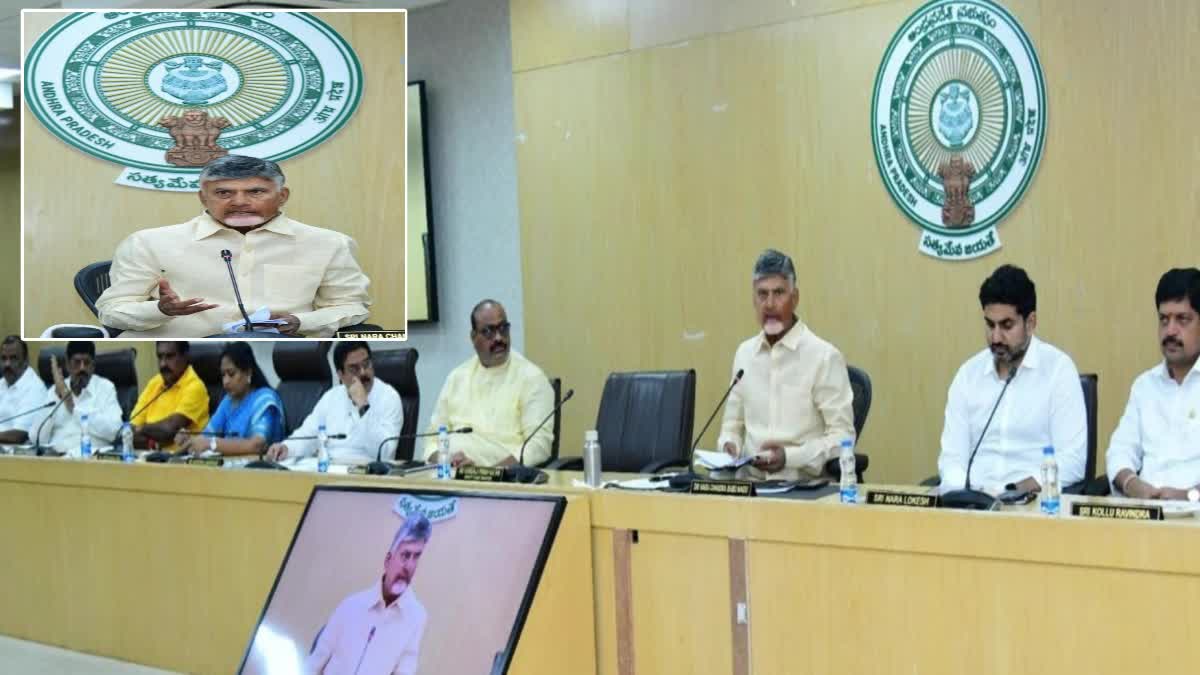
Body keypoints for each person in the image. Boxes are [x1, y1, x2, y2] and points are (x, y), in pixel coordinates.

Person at [95, 155, 371, 337]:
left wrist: (302, 322)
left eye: (256, 192)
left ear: (282, 196)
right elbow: (111, 310)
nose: (239, 202)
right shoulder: (148, 242)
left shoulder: (329, 244)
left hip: (273, 350)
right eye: (223, 193)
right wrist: (160, 310)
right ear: (203, 198)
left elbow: (352, 307)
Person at [937, 265, 1087, 493]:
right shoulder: (968, 376)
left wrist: (1019, 489)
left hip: (1034, 505)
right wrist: (958, 498)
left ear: (1031, 322)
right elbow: (953, 457)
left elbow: (1073, 462)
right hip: (975, 505)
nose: (996, 337)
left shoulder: (1058, 371)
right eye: (990, 325)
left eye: (1007, 326)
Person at [717, 249, 856, 481]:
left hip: (805, 490)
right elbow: (731, 426)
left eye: (779, 293)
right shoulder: (744, 355)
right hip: (751, 487)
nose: (769, 304)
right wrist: (729, 446)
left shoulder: (823, 357)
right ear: (753, 299)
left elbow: (844, 437)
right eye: (762, 294)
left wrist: (789, 457)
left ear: (795, 298)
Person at [423, 300, 554, 468]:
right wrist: (446, 460)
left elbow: (538, 446)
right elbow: (431, 439)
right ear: (473, 337)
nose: (499, 338)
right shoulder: (457, 377)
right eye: (488, 332)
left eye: (503, 329)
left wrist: (491, 474)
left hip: (503, 484)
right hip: (453, 478)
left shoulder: (531, 378)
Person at [1107, 268, 1200, 500]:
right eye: (1164, 319)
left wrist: (1188, 496)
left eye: (1182, 319)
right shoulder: (1145, 386)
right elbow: (1120, 451)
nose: (1170, 331)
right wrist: (1131, 484)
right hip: (1145, 515)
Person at [306, 513, 430, 675]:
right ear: (388, 560)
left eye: (416, 557)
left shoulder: (416, 616)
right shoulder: (351, 605)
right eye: (405, 555)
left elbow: (405, 669)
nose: (409, 567)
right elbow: (314, 663)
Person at [266, 342, 404, 466]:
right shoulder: (332, 397)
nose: (363, 372)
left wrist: (363, 406)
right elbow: (308, 434)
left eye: (366, 364)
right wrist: (286, 447)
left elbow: (384, 453)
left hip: (367, 474)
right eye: (354, 368)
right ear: (340, 374)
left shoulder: (389, 397)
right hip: (331, 470)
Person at [176, 342, 283, 456]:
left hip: (263, 469)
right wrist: (191, 439)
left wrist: (212, 444)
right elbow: (207, 436)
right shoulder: (229, 400)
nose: (225, 381)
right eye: (223, 375)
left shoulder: (265, 400)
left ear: (248, 373)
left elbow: (258, 445)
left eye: (231, 374)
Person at [31, 342, 123, 453]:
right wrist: (56, 396)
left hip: (93, 460)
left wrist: (74, 408)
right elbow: (36, 438)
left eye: (87, 363)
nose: (82, 368)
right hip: (59, 460)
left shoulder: (105, 388)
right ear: (68, 365)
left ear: (93, 366)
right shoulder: (55, 391)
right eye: (77, 363)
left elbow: (115, 431)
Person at [130, 341, 210, 450]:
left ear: (185, 356)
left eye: (170, 356)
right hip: (147, 456)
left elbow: (169, 430)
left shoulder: (195, 387)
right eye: (160, 357)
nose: (163, 364)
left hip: (180, 461)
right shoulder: (155, 383)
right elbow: (131, 430)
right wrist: (154, 444)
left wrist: (142, 429)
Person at [0, 336, 49, 444]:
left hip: (12, 454)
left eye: (13, 358)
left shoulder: (34, 388)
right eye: (4, 358)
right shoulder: (2, 383)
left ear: (26, 361)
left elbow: (19, 435)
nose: (7, 364)